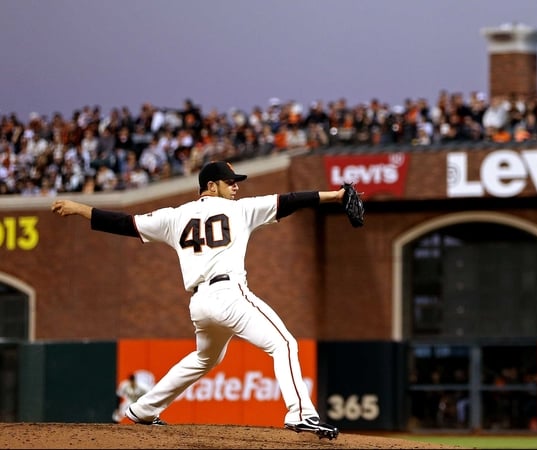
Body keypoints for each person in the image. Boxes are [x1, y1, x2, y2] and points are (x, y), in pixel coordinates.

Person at [51, 160, 344, 439]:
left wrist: (80, 208)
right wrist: (334, 196)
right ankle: (301, 413)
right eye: (230, 182)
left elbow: (124, 223)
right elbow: (291, 200)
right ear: (211, 185)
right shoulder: (241, 210)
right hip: (229, 295)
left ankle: (143, 409)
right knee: (284, 344)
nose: (236, 187)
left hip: (200, 304)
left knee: (205, 357)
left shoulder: (175, 216)